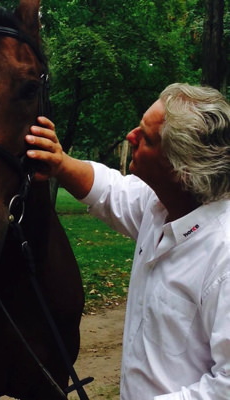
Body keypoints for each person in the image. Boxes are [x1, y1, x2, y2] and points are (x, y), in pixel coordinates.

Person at [25, 83, 230, 399]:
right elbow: (110, 191)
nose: (130, 136)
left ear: (181, 170)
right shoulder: (161, 206)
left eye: (146, 138)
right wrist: (60, 163)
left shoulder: (223, 256)